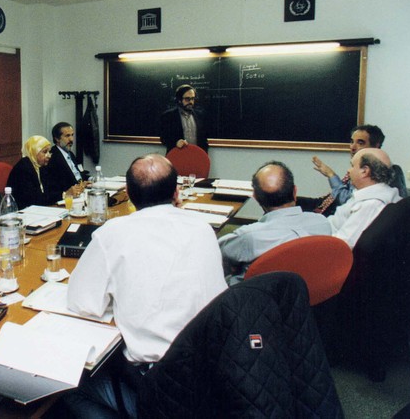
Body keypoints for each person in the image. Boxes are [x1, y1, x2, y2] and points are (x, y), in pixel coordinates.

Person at [65, 154, 227, 417]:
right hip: (212, 378)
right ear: (176, 192)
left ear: (128, 194)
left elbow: (82, 302)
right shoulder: (203, 228)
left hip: (160, 387)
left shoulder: (112, 233)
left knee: (70, 387)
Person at [219, 161, 331, 284]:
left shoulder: (248, 237)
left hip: (252, 294)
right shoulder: (322, 223)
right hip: (309, 291)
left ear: (256, 198)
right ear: (295, 192)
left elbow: (214, 255)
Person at [305, 124, 406, 215]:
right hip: (326, 207)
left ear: (376, 146)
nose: (352, 147)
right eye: (352, 142)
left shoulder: (381, 171)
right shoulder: (359, 167)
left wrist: (331, 175)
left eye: (360, 143)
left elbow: (347, 200)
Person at [328, 148, 401, 248]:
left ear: (365, 171)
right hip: (327, 228)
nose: (349, 170)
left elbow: (342, 245)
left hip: (328, 241)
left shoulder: (371, 204)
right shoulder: (379, 192)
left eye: (352, 166)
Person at [6, 135, 64, 209]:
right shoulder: (23, 168)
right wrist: (62, 195)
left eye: (49, 152)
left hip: (38, 208)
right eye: (45, 152)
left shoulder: (40, 166)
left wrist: (64, 193)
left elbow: (50, 189)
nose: (49, 155)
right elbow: (34, 199)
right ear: (34, 152)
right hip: (23, 210)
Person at [159, 84, 209, 153]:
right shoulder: (168, 116)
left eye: (192, 98)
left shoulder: (200, 116)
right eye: (187, 99)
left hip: (196, 156)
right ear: (179, 100)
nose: (191, 102)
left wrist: (204, 155)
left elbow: (204, 140)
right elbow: (164, 139)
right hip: (177, 155)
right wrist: (176, 143)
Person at [45, 122, 87, 197]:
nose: (71, 139)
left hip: (82, 191)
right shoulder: (52, 157)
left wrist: (86, 181)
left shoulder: (71, 154)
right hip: (69, 197)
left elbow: (78, 173)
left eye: (72, 135)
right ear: (57, 138)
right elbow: (55, 187)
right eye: (67, 136)